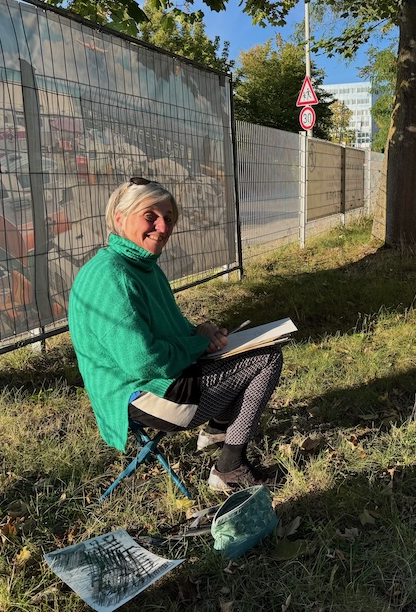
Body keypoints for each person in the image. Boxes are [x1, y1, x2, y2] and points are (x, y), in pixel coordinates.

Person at [68, 177, 283, 492]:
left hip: (152, 381)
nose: (162, 227)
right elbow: (143, 362)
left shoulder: (140, 266)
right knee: (267, 359)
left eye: (168, 218)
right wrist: (198, 343)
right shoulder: (113, 276)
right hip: (145, 393)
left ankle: (218, 431)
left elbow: (172, 329)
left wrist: (201, 332)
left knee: (246, 355)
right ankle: (229, 468)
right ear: (119, 218)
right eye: (150, 216)